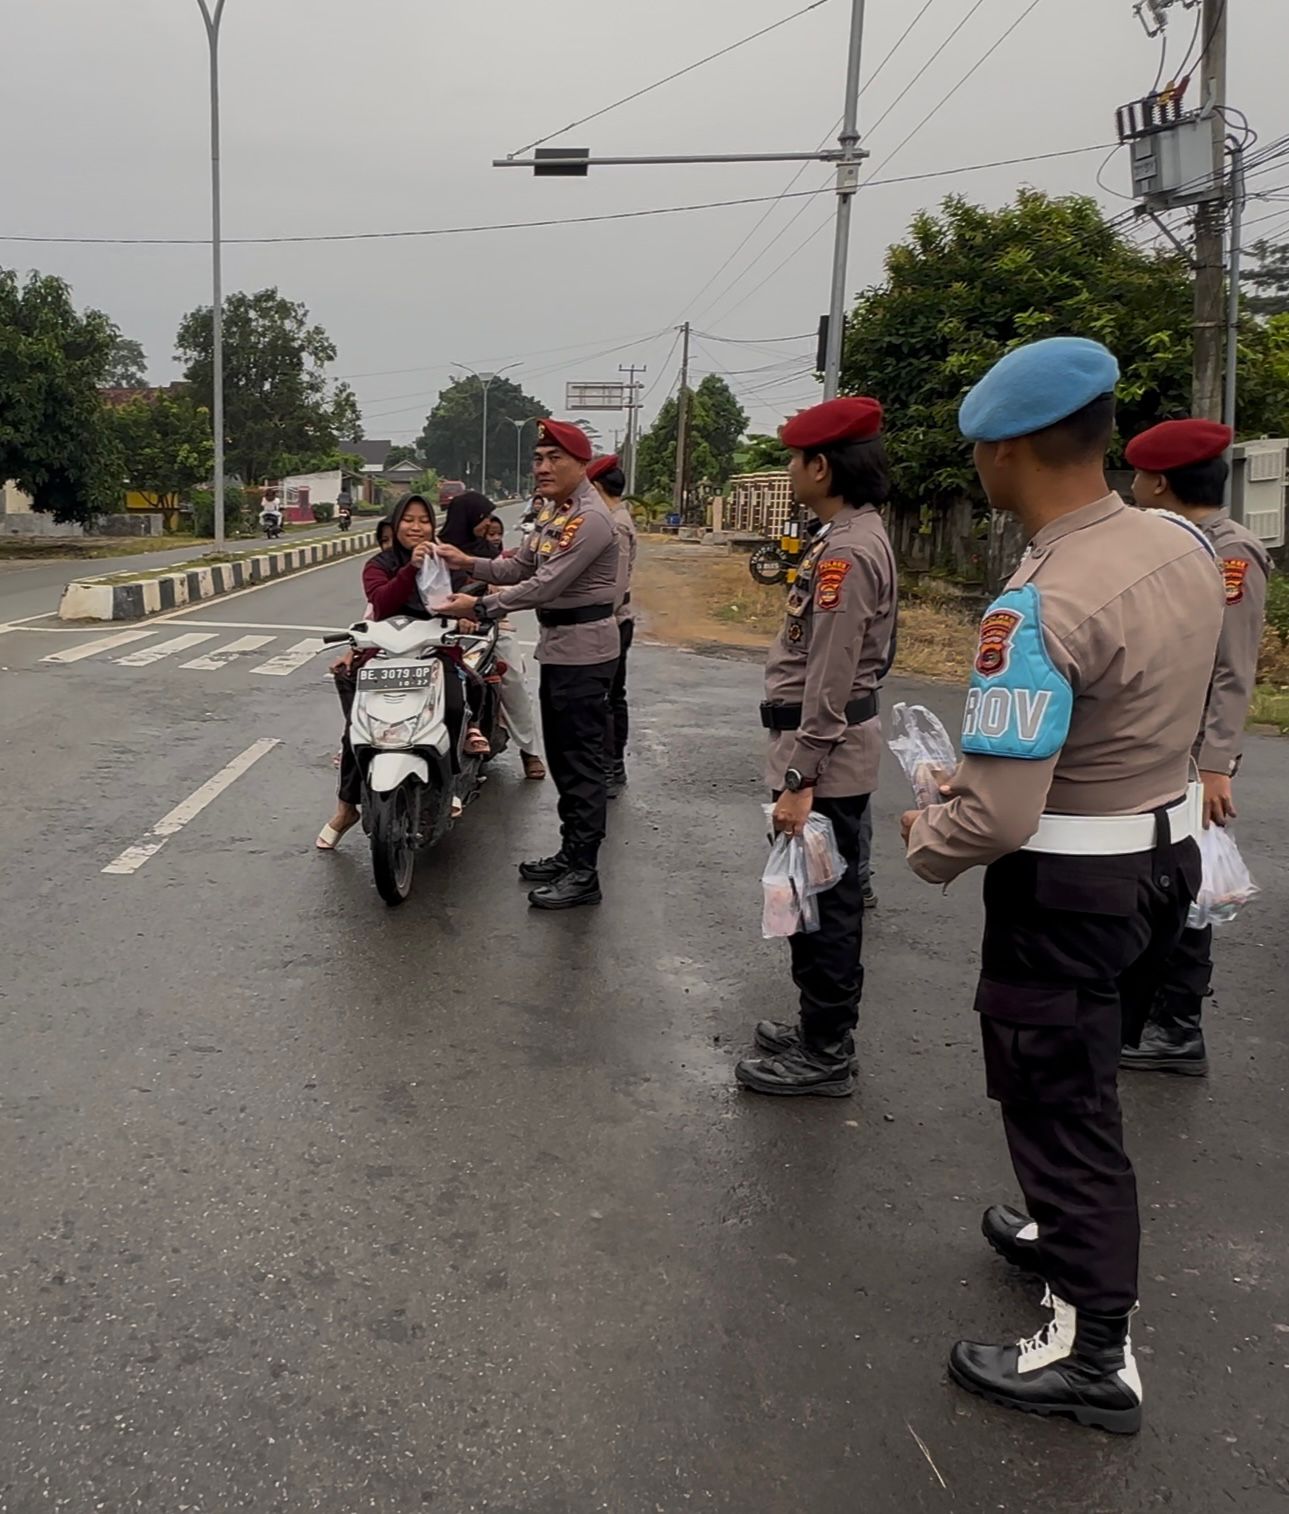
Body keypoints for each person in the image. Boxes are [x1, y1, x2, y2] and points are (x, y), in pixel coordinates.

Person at [901, 338, 1224, 1435]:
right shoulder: (1178, 540)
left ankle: (1092, 1347)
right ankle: (1058, 1229)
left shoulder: (1034, 602)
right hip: (1158, 857)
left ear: (1002, 450)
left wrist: (926, 836)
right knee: (1088, 1073)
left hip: (1068, 888)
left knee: (1057, 1096)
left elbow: (996, 813)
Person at [734, 396, 898, 1099]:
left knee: (825, 909)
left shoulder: (848, 554)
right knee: (809, 899)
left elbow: (831, 676)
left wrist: (800, 774)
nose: (790, 470)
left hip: (823, 763)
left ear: (821, 466)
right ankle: (816, 1027)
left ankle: (826, 1050)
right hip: (819, 755)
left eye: (794, 460)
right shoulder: (845, 538)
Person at [1119, 419, 1271, 1076]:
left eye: (1137, 476)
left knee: (1179, 884)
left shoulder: (1228, 553)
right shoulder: (1172, 542)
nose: (1129, 487)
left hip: (1188, 759)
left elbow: (1232, 670)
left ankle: (1176, 1026)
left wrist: (1214, 768)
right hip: (1152, 743)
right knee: (1152, 884)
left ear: (1159, 481)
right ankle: (1147, 1013)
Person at [432, 420, 621, 911]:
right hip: (562, 649)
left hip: (584, 652)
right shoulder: (555, 516)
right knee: (562, 758)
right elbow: (519, 568)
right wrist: (467, 562)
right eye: (538, 458)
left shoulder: (590, 520)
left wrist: (477, 608)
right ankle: (570, 853)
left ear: (581, 464)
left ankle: (584, 872)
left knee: (581, 764)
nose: (541, 468)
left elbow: (544, 587)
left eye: (553, 458)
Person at [315, 494, 488, 851]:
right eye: (408, 520)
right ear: (395, 526)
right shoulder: (379, 564)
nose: (416, 527)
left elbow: (463, 599)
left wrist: (468, 616)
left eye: (423, 520)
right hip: (385, 657)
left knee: (455, 706)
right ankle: (346, 807)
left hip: (435, 653)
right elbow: (382, 603)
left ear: (433, 525)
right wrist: (410, 568)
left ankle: (450, 785)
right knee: (356, 731)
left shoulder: (446, 563)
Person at [463, 506, 547, 782]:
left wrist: (487, 606)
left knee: (513, 678)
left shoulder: (493, 558)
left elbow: (506, 587)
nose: (488, 527)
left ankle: (530, 751)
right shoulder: (440, 551)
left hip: (491, 627)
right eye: (482, 520)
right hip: (447, 628)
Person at [587, 455, 637, 797]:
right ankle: (613, 764)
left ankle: (609, 767)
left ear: (595, 486)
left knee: (605, 699)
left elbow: (616, 587)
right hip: (617, 621)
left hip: (612, 622)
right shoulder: (617, 518)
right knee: (613, 696)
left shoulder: (615, 524)